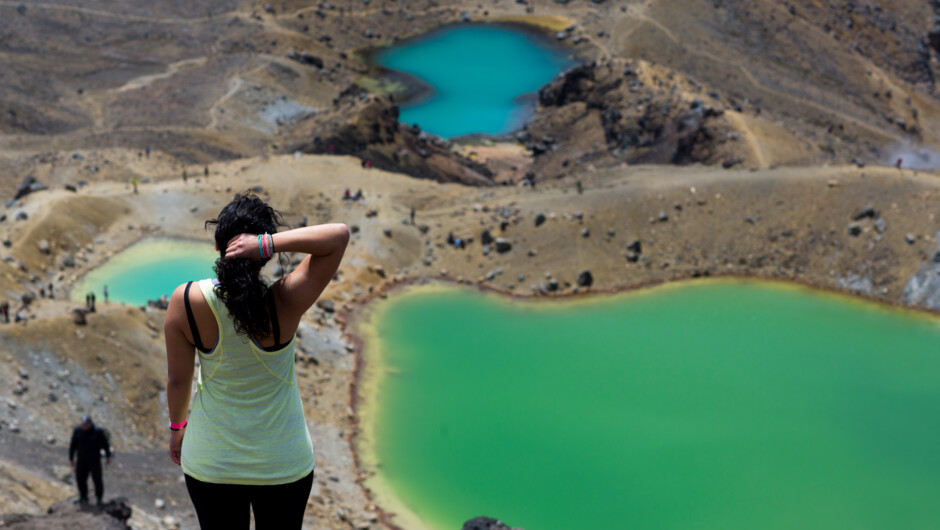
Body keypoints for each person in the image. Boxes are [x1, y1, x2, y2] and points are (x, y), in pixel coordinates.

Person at [164, 193, 349, 529]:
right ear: (261, 253)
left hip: (212, 462)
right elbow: (338, 237)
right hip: (283, 463)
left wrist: (177, 429)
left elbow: (179, 380)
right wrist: (266, 244)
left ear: (219, 245)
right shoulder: (286, 300)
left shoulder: (187, 301)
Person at [69, 415, 111, 506]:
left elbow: (105, 444)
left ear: (90, 424)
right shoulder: (78, 430)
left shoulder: (98, 431)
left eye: (86, 425)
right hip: (81, 460)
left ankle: (99, 498)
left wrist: (108, 456)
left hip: (94, 460)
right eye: (82, 424)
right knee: (80, 479)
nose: (84, 426)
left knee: (97, 479)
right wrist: (71, 458)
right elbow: (73, 445)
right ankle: (83, 496)